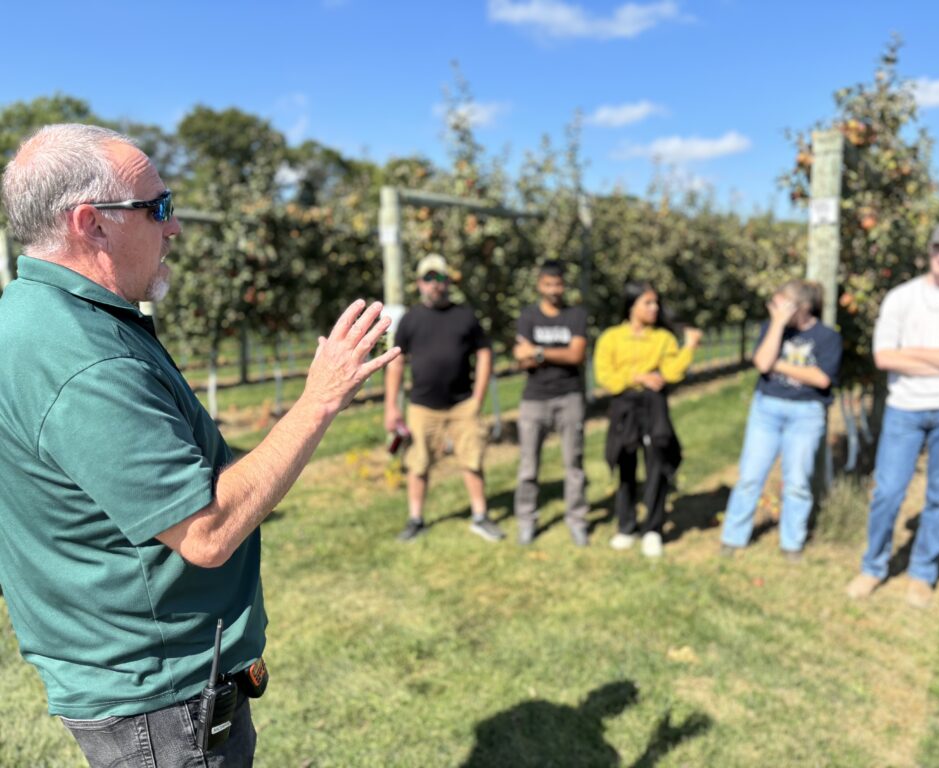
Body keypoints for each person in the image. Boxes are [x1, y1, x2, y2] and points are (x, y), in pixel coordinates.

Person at [0, 124, 398, 767]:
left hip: (135, 676)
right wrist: (319, 399)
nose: (174, 226)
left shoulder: (32, 315)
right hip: (161, 700)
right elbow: (207, 532)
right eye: (156, 207)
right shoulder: (82, 359)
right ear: (90, 224)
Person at [846, 221, 939, 608]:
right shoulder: (901, 297)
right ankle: (873, 566)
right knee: (888, 492)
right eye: (937, 248)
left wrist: (911, 354)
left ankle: (922, 573)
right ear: (928, 250)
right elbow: (883, 357)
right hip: (904, 409)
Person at [385, 254, 504, 542]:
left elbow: (485, 352)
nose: (434, 285)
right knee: (418, 463)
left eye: (439, 278)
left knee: (472, 459)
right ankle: (416, 520)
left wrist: (479, 396)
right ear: (419, 283)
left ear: (448, 281)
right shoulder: (410, 320)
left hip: (463, 404)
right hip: (422, 406)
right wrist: (391, 406)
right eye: (428, 278)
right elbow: (396, 362)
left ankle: (480, 516)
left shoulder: (464, 316)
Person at [719, 280, 841, 562]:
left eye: (782, 303)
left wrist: (778, 364)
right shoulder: (772, 328)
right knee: (750, 475)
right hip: (767, 409)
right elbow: (761, 363)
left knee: (797, 481)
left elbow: (822, 378)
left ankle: (792, 542)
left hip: (806, 413)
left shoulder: (827, 337)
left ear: (803, 307)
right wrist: (776, 326)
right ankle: (733, 536)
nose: (775, 308)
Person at [594, 281, 701, 558]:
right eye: (648, 303)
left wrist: (688, 347)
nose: (655, 308)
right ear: (632, 306)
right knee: (625, 463)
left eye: (656, 303)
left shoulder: (662, 339)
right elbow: (606, 376)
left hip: (654, 407)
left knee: (657, 463)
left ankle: (653, 528)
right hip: (625, 407)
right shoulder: (611, 338)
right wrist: (638, 377)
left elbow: (672, 372)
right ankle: (626, 525)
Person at [512, 259, 589, 546]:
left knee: (574, 463)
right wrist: (550, 353)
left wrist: (538, 352)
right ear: (539, 285)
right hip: (534, 399)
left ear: (564, 285)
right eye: (548, 284)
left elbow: (576, 356)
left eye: (558, 283)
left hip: (569, 396)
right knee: (528, 465)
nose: (554, 289)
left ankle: (577, 519)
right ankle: (526, 520)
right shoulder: (528, 316)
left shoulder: (576, 315)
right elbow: (521, 358)